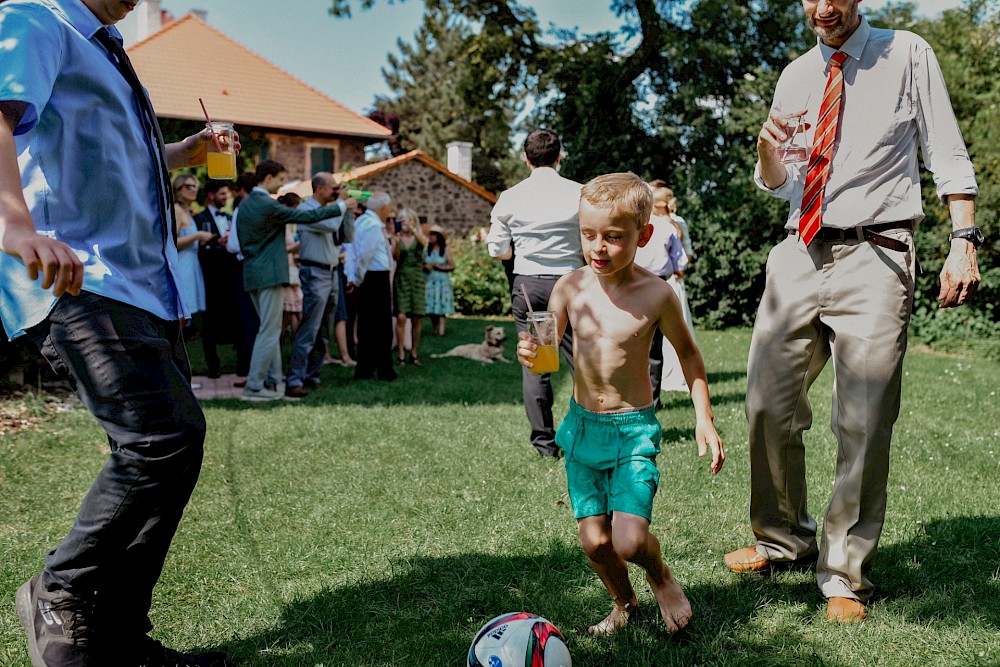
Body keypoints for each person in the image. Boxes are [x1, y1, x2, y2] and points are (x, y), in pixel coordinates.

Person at [724, 0, 981, 625]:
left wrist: (962, 242)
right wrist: (767, 154)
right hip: (798, 250)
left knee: (862, 420)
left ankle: (843, 571)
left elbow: (946, 152)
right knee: (766, 403)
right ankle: (783, 538)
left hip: (878, 252)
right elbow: (783, 183)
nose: (824, 7)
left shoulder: (907, 54)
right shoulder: (794, 76)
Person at [0, 0, 239, 664]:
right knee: (161, 440)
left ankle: (121, 635)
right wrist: (14, 225)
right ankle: (61, 590)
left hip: (141, 288)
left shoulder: (105, 48)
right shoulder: (37, 18)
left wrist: (184, 150)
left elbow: (113, 154)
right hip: (78, 275)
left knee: (175, 450)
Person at [517, 172, 724, 636]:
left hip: (633, 431)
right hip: (583, 428)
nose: (598, 247)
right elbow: (546, 355)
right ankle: (624, 602)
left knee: (629, 541)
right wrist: (531, 354)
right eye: (588, 235)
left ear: (643, 235)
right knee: (594, 541)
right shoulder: (570, 287)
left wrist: (703, 418)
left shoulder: (657, 294)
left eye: (613, 237)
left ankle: (660, 575)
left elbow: (689, 355)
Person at [488, 128, 584, 458]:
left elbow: (498, 250)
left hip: (531, 285)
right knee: (582, 362)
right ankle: (587, 434)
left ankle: (545, 444)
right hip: (572, 283)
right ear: (559, 157)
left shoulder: (511, 197)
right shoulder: (580, 193)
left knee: (538, 362)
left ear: (526, 159)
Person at [235, 160, 346, 402]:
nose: (283, 184)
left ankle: (274, 381)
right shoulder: (265, 203)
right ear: (268, 178)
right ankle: (254, 386)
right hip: (269, 274)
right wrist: (340, 206)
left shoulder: (246, 205)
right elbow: (301, 216)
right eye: (280, 179)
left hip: (253, 272)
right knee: (269, 331)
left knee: (271, 329)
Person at [284, 173, 353, 398]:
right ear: (320, 188)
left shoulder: (334, 210)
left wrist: (349, 210)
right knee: (309, 329)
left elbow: (348, 236)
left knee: (324, 330)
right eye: (333, 188)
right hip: (314, 272)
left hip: (332, 273)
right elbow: (329, 225)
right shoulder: (306, 211)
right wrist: (343, 204)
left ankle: (312, 375)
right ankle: (294, 379)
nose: (336, 192)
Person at [633, 185, 689, 405]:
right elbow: (680, 264)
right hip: (659, 287)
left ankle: (635, 397)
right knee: (655, 350)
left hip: (633, 286)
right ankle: (653, 399)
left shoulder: (631, 226)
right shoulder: (667, 228)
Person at [194, 180, 247, 379]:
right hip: (210, 279)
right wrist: (218, 245)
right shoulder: (199, 219)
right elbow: (200, 250)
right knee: (210, 325)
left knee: (239, 321)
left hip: (233, 278)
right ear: (211, 195)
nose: (226, 198)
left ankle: (242, 366)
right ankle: (213, 367)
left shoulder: (232, 217)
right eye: (222, 194)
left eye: (227, 194)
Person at [344, 191, 396, 381]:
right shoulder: (373, 225)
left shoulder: (361, 222)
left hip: (368, 277)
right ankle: (383, 369)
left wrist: (352, 276)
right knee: (381, 326)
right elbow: (365, 255)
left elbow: (352, 250)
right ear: (383, 208)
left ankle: (366, 367)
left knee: (366, 324)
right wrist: (357, 277)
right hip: (375, 277)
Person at [172, 174, 212, 335]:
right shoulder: (176, 209)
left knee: (186, 316)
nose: (194, 190)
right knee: (180, 314)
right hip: (182, 266)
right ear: (178, 189)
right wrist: (197, 235)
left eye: (195, 186)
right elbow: (171, 242)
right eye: (189, 186)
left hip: (191, 264)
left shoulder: (188, 211)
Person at [392, 207, 428, 365]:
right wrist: (397, 239)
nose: (405, 222)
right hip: (401, 278)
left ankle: (413, 353)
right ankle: (400, 352)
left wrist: (413, 229)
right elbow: (396, 257)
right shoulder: (397, 238)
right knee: (401, 316)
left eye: (407, 219)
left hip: (417, 279)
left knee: (417, 317)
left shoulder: (418, 237)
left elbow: (424, 244)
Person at [277, 192, 303, 347]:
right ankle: (279, 351)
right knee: (287, 314)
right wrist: (301, 243)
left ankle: (295, 349)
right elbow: (284, 249)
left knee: (294, 312)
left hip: (291, 268)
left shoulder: (287, 224)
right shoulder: (281, 223)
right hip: (286, 271)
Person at [424, 224, 455, 336]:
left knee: (441, 305)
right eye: (430, 235)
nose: (430, 237)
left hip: (441, 281)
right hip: (430, 280)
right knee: (432, 305)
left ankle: (441, 329)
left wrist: (440, 267)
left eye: (433, 235)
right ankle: (435, 328)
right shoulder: (427, 250)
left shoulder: (445, 249)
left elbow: (452, 266)